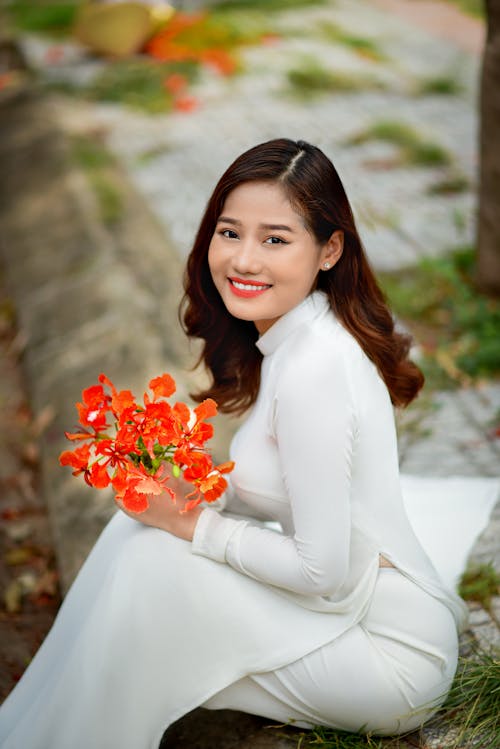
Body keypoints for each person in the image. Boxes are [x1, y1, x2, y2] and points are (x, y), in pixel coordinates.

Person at [0, 138, 471, 748]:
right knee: (139, 544)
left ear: (330, 249)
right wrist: (195, 498)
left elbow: (320, 569)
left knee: (148, 577)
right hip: (349, 609)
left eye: (275, 239)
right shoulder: (296, 335)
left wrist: (194, 527)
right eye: (230, 233)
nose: (244, 260)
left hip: (388, 658)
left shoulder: (314, 370)